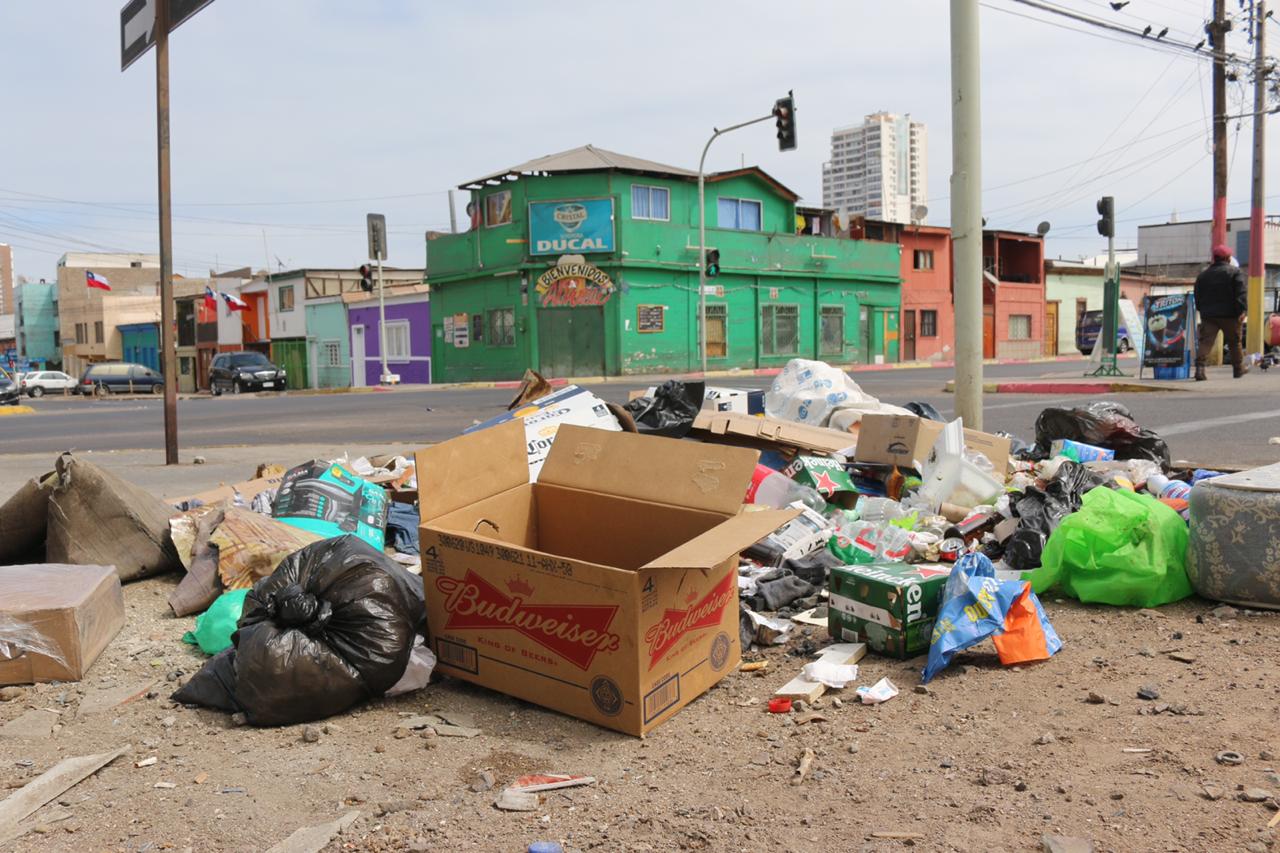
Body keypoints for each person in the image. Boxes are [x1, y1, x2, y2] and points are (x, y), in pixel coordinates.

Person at [1194, 243, 1249, 380]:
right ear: (1228, 258)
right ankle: (1238, 369)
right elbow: (1240, 293)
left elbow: (1197, 296)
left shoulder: (1203, 275)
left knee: (1205, 342)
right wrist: (1242, 310)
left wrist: (1203, 310)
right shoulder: (1235, 272)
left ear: (1215, 258)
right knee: (1234, 342)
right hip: (1230, 315)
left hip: (1209, 315)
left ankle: (1200, 370)